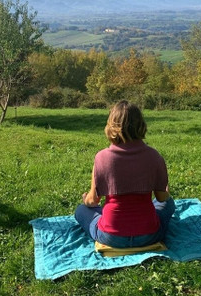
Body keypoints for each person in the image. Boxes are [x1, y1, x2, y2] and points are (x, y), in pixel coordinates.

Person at [75, 100, 175, 248]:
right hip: (150, 235)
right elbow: (161, 197)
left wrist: (86, 199)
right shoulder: (154, 156)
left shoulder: (102, 157)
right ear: (141, 125)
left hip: (111, 237)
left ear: (111, 126)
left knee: (81, 210)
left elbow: (93, 201)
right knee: (169, 203)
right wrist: (165, 193)